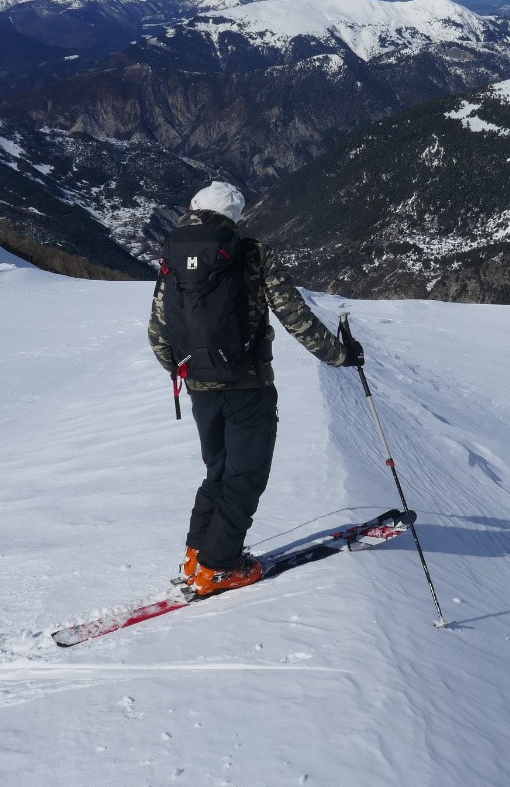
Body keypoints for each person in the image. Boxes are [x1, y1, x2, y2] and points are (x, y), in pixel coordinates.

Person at [148, 181, 363, 597]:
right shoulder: (250, 252)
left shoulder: (172, 255)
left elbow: (158, 330)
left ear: (194, 209)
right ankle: (219, 568)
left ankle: (197, 556)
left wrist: (187, 372)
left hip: (198, 385)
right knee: (244, 475)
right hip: (248, 383)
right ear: (234, 218)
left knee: (218, 470)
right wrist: (339, 355)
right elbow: (293, 313)